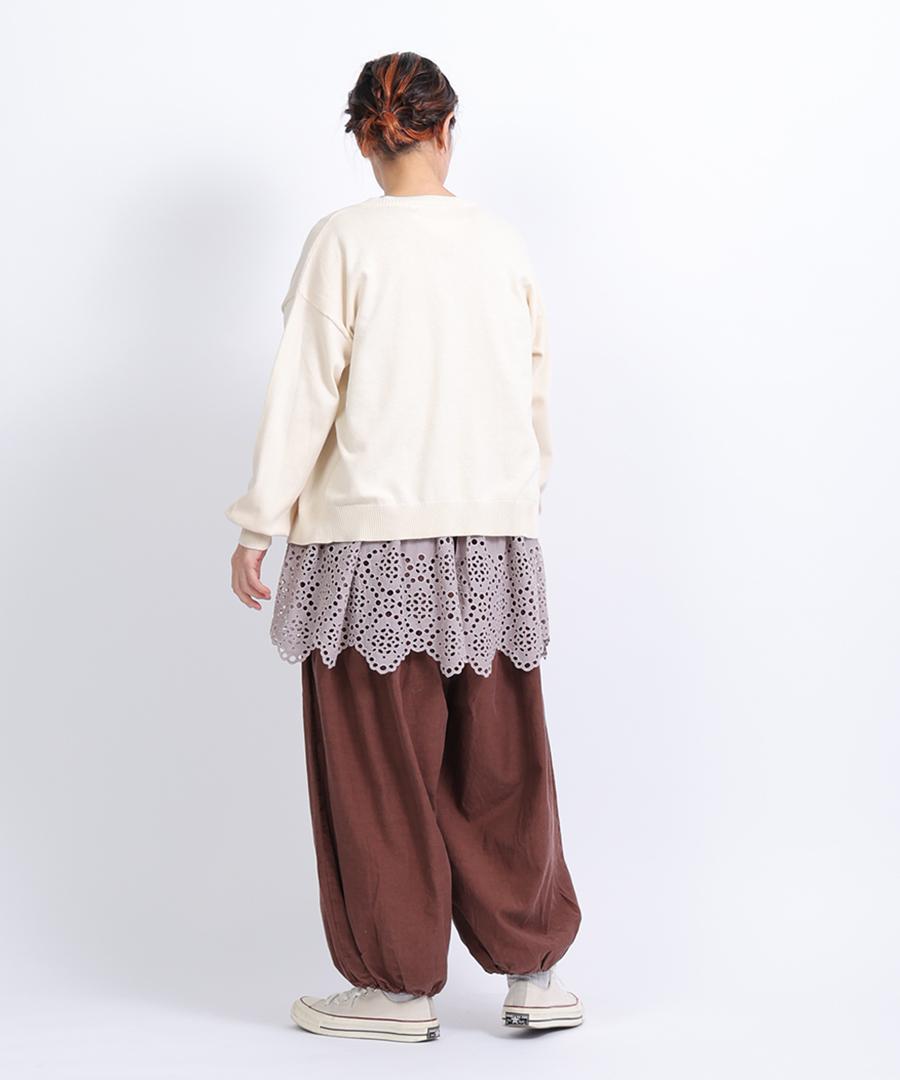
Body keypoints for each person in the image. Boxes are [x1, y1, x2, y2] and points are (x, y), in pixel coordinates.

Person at [226, 51, 583, 1044]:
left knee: (379, 764)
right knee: (501, 758)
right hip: (492, 537)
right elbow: (535, 388)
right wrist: (514, 499)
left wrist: (261, 519)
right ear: (446, 128)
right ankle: (535, 972)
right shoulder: (501, 243)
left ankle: (394, 986)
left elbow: (305, 390)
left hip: (369, 541)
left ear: (363, 139)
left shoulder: (344, 241)